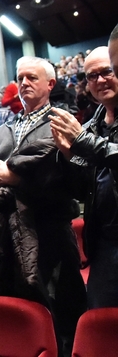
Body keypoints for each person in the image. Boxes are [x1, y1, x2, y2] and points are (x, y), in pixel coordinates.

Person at [0, 56, 86, 355]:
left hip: (49, 231)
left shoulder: (63, 121)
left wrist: (16, 180)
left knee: (59, 311)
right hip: (8, 236)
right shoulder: (5, 129)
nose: (23, 83)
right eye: (20, 78)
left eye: (31, 78)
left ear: (50, 84)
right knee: (23, 310)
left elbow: (71, 184)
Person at [49, 42, 118, 309]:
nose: (100, 80)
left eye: (106, 71)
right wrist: (68, 155)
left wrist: (80, 141)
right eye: (92, 76)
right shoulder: (90, 126)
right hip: (102, 245)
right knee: (104, 329)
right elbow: (81, 190)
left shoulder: (84, 133)